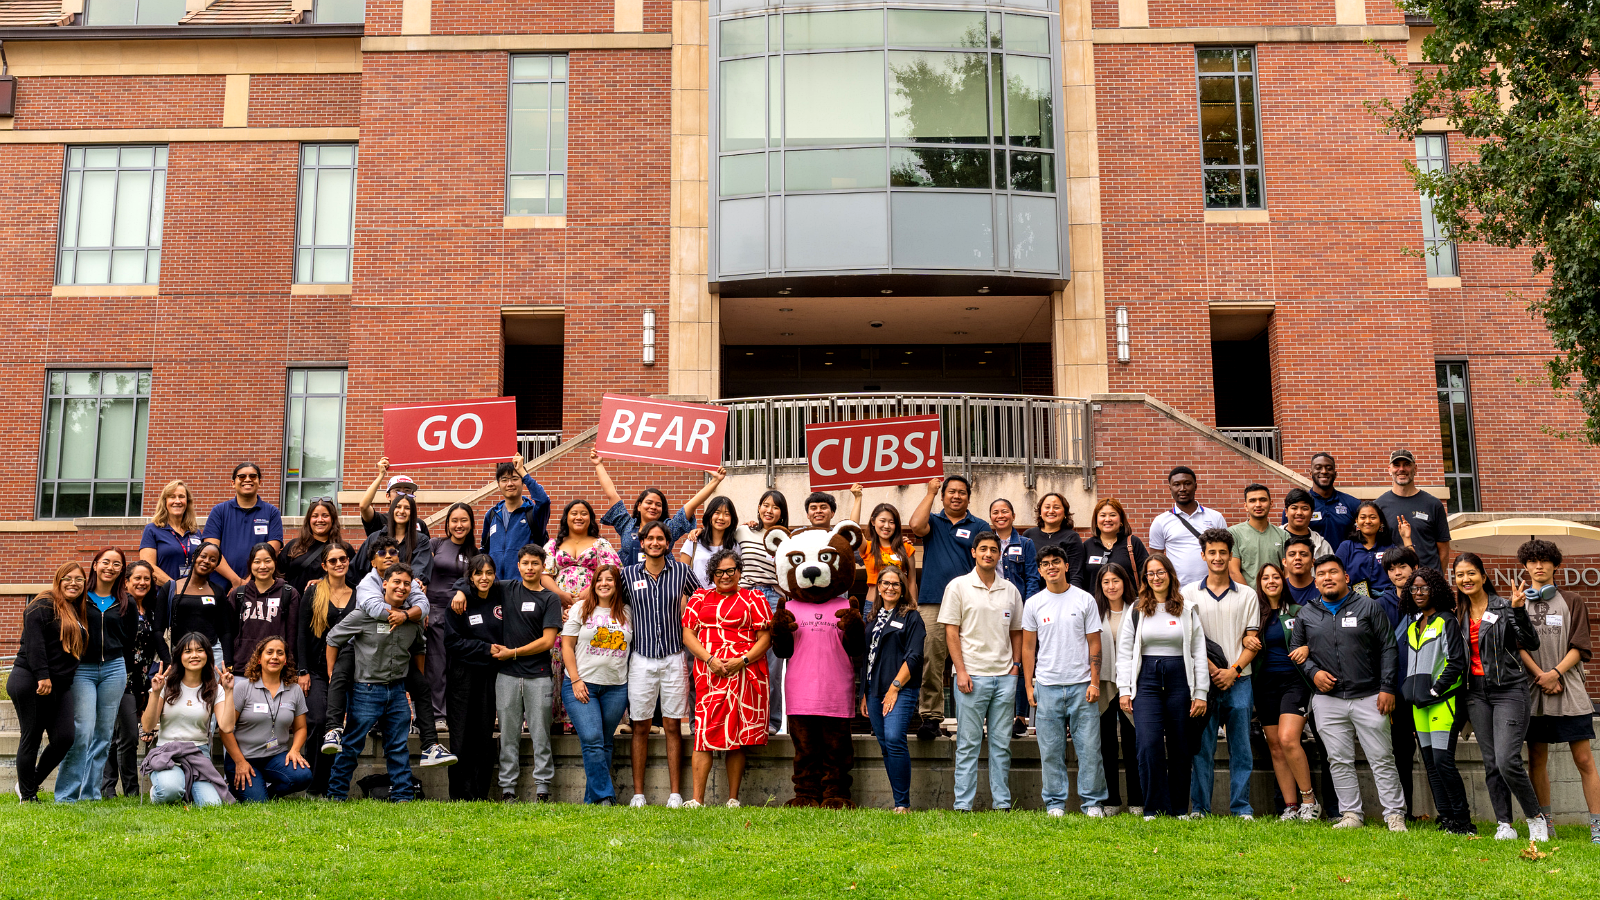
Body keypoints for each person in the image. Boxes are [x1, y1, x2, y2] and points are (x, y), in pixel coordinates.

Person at [1290, 554, 1407, 831]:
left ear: (1346, 577)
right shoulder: (1306, 613)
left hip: (1370, 696)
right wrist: (1313, 672)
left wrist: (1387, 687)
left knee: (1381, 758)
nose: (1327, 577)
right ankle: (1351, 815)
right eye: (1322, 574)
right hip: (1328, 701)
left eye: (1333, 572)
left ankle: (1394, 815)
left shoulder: (1369, 607)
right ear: (1315, 581)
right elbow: (1296, 652)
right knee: (1338, 760)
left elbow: (1389, 648)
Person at [319, 534, 453, 769]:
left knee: (421, 687)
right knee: (339, 676)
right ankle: (333, 729)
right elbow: (373, 608)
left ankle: (430, 746)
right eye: (382, 553)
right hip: (361, 645)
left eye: (393, 552)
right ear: (373, 561)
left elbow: (424, 606)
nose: (389, 556)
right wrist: (405, 614)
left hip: (396, 651)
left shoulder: (404, 579)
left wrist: (409, 614)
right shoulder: (367, 584)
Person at [1454, 551, 1548, 840]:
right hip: (1475, 693)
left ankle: (1536, 817)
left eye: (1471, 573)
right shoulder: (1457, 614)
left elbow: (1531, 642)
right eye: (1459, 575)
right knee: (1491, 761)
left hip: (1508, 689)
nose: (1465, 579)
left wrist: (1519, 610)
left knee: (1508, 760)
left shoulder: (1504, 606)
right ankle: (1504, 824)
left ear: (1483, 576)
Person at [1515, 539, 1600, 843]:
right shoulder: (1517, 602)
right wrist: (1541, 675)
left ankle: (1597, 826)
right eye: (1533, 561)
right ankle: (1546, 822)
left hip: (1569, 689)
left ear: (1555, 565)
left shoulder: (1573, 600)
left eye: (1544, 560)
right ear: (1525, 567)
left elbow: (1581, 645)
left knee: (1585, 760)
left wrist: (1555, 673)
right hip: (1534, 690)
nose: (1539, 566)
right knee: (1537, 759)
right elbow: (1516, 646)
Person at [1115, 554, 1208, 819]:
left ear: (1170, 574)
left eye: (1160, 572)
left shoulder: (1188, 609)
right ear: (1145, 579)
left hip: (1181, 679)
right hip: (1146, 682)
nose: (1156, 577)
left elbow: (1199, 653)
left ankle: (1179, 808)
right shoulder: (1136, 610)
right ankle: (1154, 808)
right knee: (1148, 743)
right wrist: (1124, 690)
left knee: (1180, 744)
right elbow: (1124, 653)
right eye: (1150, 574)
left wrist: (1200, 692)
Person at [325, 564, 425, 802]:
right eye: (396, 582)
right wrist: (332, 673)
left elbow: (420, 647)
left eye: (406, 584)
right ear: (385, 584)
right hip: (365, 691)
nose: (401, 587)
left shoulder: (413, 618)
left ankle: (403, 796)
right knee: (351, 746)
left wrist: (417, 679)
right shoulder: (364, 614)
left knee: (398, 747)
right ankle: (336, 794)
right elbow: (333, 638)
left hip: (398, 691)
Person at [939, 531, 1024, 811]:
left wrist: (1014, 669)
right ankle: (963, 805)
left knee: (1001, 745)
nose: (988, 553)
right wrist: (960, 671)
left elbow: (1016, 633)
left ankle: (1002, 804)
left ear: (999, 555)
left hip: (1004, 678)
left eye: (993, 550)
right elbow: (951, 633)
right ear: (973, 552)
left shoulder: (1010, 590)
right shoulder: (958, 587)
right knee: (968, 744)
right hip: (971, 677)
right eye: (983, 549)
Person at [681, 550, 772, 808]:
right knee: (704, 733)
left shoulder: (754, 598)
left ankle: (733, 799)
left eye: (731, 570)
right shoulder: (699, 598)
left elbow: (765, 638)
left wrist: (741, 661)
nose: (725, 576)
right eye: (719, 572)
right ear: (712, 575)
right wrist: (710, 660)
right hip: (709, 673)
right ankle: (697, 799)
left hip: (745, 672)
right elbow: (688, 635)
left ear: (739, 572)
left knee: (736, 734)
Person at [1182, 528, 1259, 818]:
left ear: (1230, 556)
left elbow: (1252, 640)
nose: (1217, 557)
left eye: (1222, 552)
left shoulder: (1248, 595)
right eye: (1211, 552)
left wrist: (1233, 671)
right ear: (1203, 555)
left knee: (1242, 748)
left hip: (1240, 679)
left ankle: (1241, 808)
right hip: (1203, 682)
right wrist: (1214, 669)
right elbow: (1187, 639)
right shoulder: (1187, 594)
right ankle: (1201, 808)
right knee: (1202, 748)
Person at [1024, 545, 1105, 816]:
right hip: (1047, 686)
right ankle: (1055, 804)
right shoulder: (1034, 603)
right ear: (1039, 570)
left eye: (1056, 562)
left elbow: (1095, 644)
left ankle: (1092, 803)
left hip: (1082, 685)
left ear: (1066, 566)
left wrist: (1095, 682)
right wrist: (1028, 685)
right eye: (1045, 563)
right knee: (1050, 751)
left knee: (1090, 750)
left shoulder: (1085, 600)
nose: (1051, 567)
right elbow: (1027, 648)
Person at [909, 475, 990, 740]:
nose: (956, 496)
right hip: (933, 601)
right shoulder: (934, 521)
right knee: (931, 659)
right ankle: (931, 718)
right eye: (951, 492)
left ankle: (974, 717)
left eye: (962, 492)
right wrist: (929, 492)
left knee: (973, 659)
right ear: (943, 495)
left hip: (971, 602)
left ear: (969, 496)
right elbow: (915, 525)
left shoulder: (979, 525)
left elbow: (988, 560)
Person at [625, 520, 697, 807]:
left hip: (674, 656)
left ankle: (676, 794)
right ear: (642, 543)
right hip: (641, 658)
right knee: (640, 725)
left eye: (660, 539)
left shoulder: (681, 571)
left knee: (671, 725)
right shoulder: (628, 574)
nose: (655, 543)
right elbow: (605, 599)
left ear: (668, 543)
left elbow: (703, 598)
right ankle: (638, 794)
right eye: (650, 538)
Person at [1398, 566, 1475, 834]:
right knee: (1430, 762)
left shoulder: (1447, 621)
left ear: (1436, 590)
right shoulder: (1412, 626)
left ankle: (1463, 822)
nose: (1418, 593)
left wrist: (1436, 690)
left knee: (1443, 761)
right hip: (1418, 706)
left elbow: (1456, 662)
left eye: (1424, 588)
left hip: (1442, 703)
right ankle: (1447, 819)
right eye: (1414, 588)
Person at [55, 548, 134, 803]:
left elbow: (129, 639)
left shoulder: (126, 601)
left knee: (103, 734)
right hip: (83, 670)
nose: (110, 567)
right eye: (105, 562)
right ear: (95, 564)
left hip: (114, 668)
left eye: (117, 564)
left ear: (122, 569)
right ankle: (67, 795)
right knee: (83, 732)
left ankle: (90, 794)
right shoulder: (80, 597)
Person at [9, 563, 86, 802]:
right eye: (68, 578)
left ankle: (27, 784)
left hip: (60, 685)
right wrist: (43, 675)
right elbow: (34, 643)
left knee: (65, 737)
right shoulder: (41, 605)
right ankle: (28, 796)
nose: (73, 583)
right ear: (58, 580)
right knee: (31, 736)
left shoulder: (74, 609)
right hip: (32, 679)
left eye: (79, 579)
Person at [493, 544, 563, 802]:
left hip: (538, 675)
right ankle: (508, 789)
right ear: (518, 565)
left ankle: (543, 788)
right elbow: (475, 580)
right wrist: (459, 592)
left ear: (543, 566)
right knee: (508, 734)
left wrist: (512, 652)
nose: (530, 568)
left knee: (540, 734)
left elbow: (547, 642)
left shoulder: (550, 598)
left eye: (535, 563)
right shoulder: (506, 588)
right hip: (507, 677)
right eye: (525, 563)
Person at [1251, 561, 1320, 821]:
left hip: (1295, 682)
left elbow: (1319, 639)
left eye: (1275, 577)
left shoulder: (1299, 611)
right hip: (1265, 685)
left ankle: (1309, 801)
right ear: (1259, 584)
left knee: (1289, 739)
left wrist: (1308, 649)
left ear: (1284, 580)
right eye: (1265, 578)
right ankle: (1290, 807)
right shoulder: (1254, 615)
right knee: (1276, 746)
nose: (1271, 581)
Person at [561, 565, 634, 805]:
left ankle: (591, 802)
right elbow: (567, 647)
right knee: (592, 738)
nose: (604, 583)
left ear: (617, 584)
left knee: (603, 742)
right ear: (593, 584)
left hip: (616, 687)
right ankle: (606, 797)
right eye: (599, 579)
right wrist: (575, 680)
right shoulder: (581, 609)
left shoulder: (627, 612)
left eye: (609, 580)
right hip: (582, 685)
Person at [140, 633, 235, 806]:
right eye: (188, 651)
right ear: (179, 656)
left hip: (198, 753)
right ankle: (163, 789)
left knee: (212, 805)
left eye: (200, 650)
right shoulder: (165, 684)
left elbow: (226, 727)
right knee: (170, 791)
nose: (194, 655)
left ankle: (186, 784)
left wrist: (228, 691)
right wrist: (155, 693)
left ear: (207, 655)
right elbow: (147, 725)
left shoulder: (215, 689)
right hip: (167, 752)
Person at [102, 560, 168, 799]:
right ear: (126, 582)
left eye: (147, 579)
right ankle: (124, 789)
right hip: (117, 675)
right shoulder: (118, 606)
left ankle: (111, 788)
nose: (142, 583)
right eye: (137, 578)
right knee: (127, 734)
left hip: (141, 679)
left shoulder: (152, 609)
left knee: (117, 734)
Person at [592, 448, 725, 565]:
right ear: (639, 506)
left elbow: (692, 504)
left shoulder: (669, 528)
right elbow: (611, 495)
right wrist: (599, 465)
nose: (653, 507)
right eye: (649, 503)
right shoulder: (626, 524)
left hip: (663, 586)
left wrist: (716, 480)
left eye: (658, 504)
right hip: (629, 587)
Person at [861, 565, 923, 812]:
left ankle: (902, 804)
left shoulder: (911, 616)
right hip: (874, 691)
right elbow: (867, 657)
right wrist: (864, 694)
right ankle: (899, 800)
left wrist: (895, 686)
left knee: (895, 739)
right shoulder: (872, 617)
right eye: (885, 583)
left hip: (901, 688)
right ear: (878, 587)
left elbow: (915, 655)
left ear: (903, 588)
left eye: (895, 584)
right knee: (886, 743)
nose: (890, 588)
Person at [444, 554, 505, 801]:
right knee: (461, 735)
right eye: (479, 573)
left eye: (489, 573)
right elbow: (452, 642)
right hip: (462, 676)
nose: (484, 578)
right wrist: (486, 649)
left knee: (484, 734)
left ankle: (480, 793)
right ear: (470, 576)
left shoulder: (502, 596)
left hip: (490, 676)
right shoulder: (460, 603)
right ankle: (459, 794)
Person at [297, 540, 355, 797]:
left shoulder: (358, 594)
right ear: (324, 565)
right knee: (319, 721)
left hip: (350, 671)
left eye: (342, 559)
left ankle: (333, 786)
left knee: (341, 728)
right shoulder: (313, 592)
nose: (339, 564)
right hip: (318, 671)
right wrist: (303, 670)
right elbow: (300, 634)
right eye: (333, 560)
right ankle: (314, 786)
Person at [221, 636, 312, 801]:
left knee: (303, 776)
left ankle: (266, 792)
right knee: (257, 803)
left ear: (285, 660)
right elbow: (225, 730)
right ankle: (246, 789)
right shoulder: (243, 688)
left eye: (280, 653)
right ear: (259, 658)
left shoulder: (294, 690)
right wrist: (240, 762)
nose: (275, 657)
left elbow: (300, 728)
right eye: (269, 652)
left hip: (276, 756)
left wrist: (295, 750)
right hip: (243, 758)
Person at [737, 489, 789, 733]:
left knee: (772, 665)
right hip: (746, 598)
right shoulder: (743, 531)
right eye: (765, 504)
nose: (769, 510)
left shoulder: (788, 538)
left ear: (782, 513)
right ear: (758, 508)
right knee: (744, 659)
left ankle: (771, 722)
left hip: (774, 598)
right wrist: (696, 533)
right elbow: (715, 540)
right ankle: (745, 718)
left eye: (775, 507)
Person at [424, 502, 477, 734]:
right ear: (447, 523)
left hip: (461, 616)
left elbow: (478, 581)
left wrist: (460, 589)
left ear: (471, 523)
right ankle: (437, 715)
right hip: (434, 611)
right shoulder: (435, 544)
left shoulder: (476, 552)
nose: (458, 525)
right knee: (435, 665)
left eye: (463, 520)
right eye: (454, 520)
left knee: (457, 667)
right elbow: (422, 573)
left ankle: (456, 713)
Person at [1094, 563, 1141, 816]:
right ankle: (1111, 800)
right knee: (1106, 745)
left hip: (1131, 686)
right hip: (1102, 685)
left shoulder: (1138, 610)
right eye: (1106, 582)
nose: (1111, 586)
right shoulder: (1094, 611)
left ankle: (1137, 799)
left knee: (1134, 743)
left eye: (1116, 581)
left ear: (1124, 582)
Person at [990, 498, 1040, 737]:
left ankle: (1020, 716)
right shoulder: (986, 543)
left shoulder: (1026, 543)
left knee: (1018, 661)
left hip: (1019, 608)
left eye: (1005, 511)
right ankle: (996, 716)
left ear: (1013, 514)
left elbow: (1032, 576)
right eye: (995, 512)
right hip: (992, 610)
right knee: (996, 659)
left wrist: (1029, 608)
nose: (1000, 515)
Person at [1377, 546, 1420, 818]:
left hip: (1429, 689)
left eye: (1402, 566)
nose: (1397, 572)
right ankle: (1406, 812)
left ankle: (1449, 813)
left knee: (1434, 753)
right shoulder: (1380, 604)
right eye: (1391, 569)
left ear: (1414, 568)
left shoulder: (1429, 600)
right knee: (1402, 753)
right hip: (1397, 690)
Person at [203, 462, 284, 589]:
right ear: (233, 483)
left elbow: (272, 551)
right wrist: (236, 581)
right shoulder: (219, 511)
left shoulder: (272, 512)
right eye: (241, 476)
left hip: (259, 586)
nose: (247, 479)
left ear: (259, 482)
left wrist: (248, 582)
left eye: (253, 476)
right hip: (219, 586)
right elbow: (211, 551)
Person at [1147, 466, 1228, 588]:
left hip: (1213, 588)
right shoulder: (1160, 521)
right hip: (1177, 591)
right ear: (1170, 488)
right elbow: (1155, 562)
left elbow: (1226, 553)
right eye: (1177, 484)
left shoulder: (1215, 517)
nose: (1182, 489)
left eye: (1187, 484)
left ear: (1195, 486)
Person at [1374, 449, 1451, 572]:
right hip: (1394, 582)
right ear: (1389, 469)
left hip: (1428, 581)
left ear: (1415, 469)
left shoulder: (1433, 504)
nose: (1402, 469)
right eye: (1396, 465)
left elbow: (1444, 550)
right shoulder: (1378, 506)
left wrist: (1437, 579)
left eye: (1407, 464)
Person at [160, 542, 232, 670]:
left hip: (213, 655)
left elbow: (225, 631)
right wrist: (167, 661)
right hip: (179, 654)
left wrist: (227, 663)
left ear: (215, 566)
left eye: (212, 560)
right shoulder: (171, 588)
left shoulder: (218, 591)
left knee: (212, 690)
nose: (206, 561)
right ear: (194, 557)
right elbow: (157, 629)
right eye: (203, 556)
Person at [229, 542, 300, 670]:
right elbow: (229, 633)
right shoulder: (238, 594)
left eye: (267, 561)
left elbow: (292, 635)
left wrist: (290, 667)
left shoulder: (289, 594)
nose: (262, 566)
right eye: (257, 562)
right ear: (250, 564)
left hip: (276, 669)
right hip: (242, 668)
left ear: (275, 563)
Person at [482, 454, 552, 580]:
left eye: (515, 478)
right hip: (495, 587)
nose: (509, 484)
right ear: (498, 485)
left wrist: (522, 472)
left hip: (524, 586)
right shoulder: (491, 515)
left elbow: (544, 501)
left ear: (522, 482)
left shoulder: (532, 514)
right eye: (504, 480)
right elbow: (485, 550)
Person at [857, 498, 919, 616]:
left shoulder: (906, 548)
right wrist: (857, 498)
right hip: (873, 605)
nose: (887, 526)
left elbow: (911, 581)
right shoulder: (868, 547)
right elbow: (853, 527)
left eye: (892, 522)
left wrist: (913, 609)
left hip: (900, 606)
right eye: (882, 521)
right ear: (873, 521)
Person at [354, 494, 432, 585]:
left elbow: (420, 568)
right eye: (398, 507)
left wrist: (413, 582)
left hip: (406, 590)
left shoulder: (421, 540)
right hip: (376, 589)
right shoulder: (375, 537)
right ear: (392, 510)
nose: (402, 511)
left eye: (407, 508)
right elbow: (357, 568)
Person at [140, 479, 203, 586]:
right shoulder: (152, 530)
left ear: (187, 502)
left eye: (181, 497)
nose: (177, 501)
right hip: (164, 596)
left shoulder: (195, 532)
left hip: (192, 594)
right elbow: (148, 566)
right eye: (172, 497)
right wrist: (175, 587)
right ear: (165, 501)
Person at [279, 497, 344, 600]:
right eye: (315, 516)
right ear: (309, 520)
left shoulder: (343, 549)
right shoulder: (294, 546)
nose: (320, 520)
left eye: (325, 516)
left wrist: (325, 582)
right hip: (292, 606)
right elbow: (279, 575)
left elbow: (351, 579)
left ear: (332, 519)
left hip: (326, 607)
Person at [1081, 498, 1149, 592]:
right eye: (1102, 515)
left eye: (1113, 515)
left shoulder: (1133, 543)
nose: (1107, 519)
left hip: (1128, 604)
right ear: (1096, 521)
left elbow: (1146, 576)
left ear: (1121, 520)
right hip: (1095, 605)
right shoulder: (1086, 546)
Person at [1228, 483, 1288, 586]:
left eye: (1263, 500)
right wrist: (1251, 598)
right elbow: (1234, 572)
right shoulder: (1234, 533)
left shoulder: (1283, 536)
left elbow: (1287, 573)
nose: (1258, 504)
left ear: (1271, 503)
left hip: (1276, 597)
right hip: (1246, 598)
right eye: (1252, 501)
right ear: (1245, 506)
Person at [1025, 492, 1088, 589]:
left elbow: (1076, 575)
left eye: (1056, 507)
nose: (1051, 511)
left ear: (1065, 513)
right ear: (1040, 512)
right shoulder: (1028, 535)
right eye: (1047, 507)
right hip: (1034, 595)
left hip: (1063, 594)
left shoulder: (1072, 537)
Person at [1297, 453, 1362, 547]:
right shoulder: (1297, 506)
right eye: (1318, 467)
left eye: (1329, 468)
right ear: (1310, 473)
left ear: (1335, 474)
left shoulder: (1353, 504)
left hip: (1344, 561)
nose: (1324, 471)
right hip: (1312, 561)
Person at [1335, 501, 1394, 599]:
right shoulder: (1346, 547)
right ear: (1356, 521)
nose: (1368, 521)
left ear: (1381, 522)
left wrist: (1406, 538)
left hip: (1385, 601)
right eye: (1363, 517)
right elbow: (1336, 575)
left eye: (1373, 517)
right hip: (1353, 601)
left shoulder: (1390, 548)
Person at [359, 457, 430, 538]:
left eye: (407, 490)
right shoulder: (380, 520)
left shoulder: (419, 524)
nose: (402, 494)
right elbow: (364, 506)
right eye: (397, 490)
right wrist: (381, 475)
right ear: (387, 496)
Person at [679, 496, 739, 590]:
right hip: (697, 599)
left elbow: (738, 576)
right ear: (710, 515)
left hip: (725, 600)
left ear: (732, 519)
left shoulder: (734, 546)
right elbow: (681, 577)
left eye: (726, 514)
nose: (721, 518)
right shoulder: (694, 541)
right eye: (717, 513)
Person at [1282, 489, 1333, 559]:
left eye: (1304, 508)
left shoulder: (1322, 545)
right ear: (1286, 512)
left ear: (1312, 513)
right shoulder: (1274, 538)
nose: (1299, 513)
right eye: (1294, 508)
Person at [1281, 536, 1321, 606]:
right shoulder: (1279, 589)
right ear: (1284, 562)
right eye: (1292, 554)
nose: (1297, 558)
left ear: (1312, 562)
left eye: (1303, 554)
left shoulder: (1322, 589)